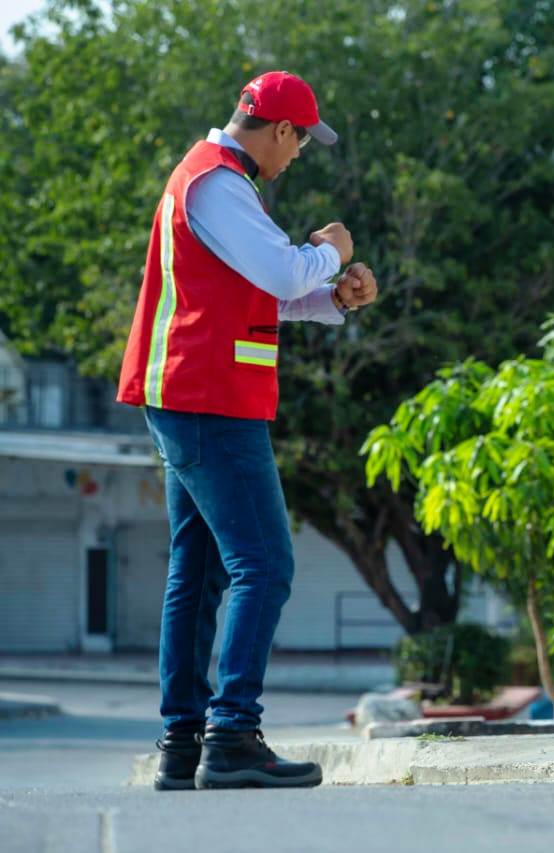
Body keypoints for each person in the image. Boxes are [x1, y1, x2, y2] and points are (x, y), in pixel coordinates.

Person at [117, 71, 378, 790]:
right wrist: (329, 249)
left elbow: (261, 291)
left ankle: (183, 744)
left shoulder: (220, 183)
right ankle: (231, 734)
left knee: (197, 573)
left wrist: (333, 295)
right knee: (265, 563)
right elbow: (280, 271)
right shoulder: (218, 183)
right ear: (281, 131)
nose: (297, 158)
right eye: (300, 144)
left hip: (197, 395)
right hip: (209, 400)